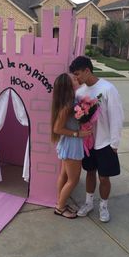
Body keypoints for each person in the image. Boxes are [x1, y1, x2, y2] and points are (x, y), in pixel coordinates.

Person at [69, 56, 124, 222]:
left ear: (87, 70)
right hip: (88, 143)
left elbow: (117, 116)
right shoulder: (79, 93)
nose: (76, 78)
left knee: (104, 177)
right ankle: (88, 203)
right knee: (90, 173)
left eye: (78, 74)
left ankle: (104, 206)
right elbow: (77, 117)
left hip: (105, 141)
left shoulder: (108, 89)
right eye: (74, 76)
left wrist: (115, 143)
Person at [51, 73, 92, 219]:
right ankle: (60, 208)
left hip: (69, 143)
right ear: (69, 86)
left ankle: (60, 202)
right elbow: (57, 128)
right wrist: (78, 134)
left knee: (64, 174)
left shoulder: (72, 100)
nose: (77, 79)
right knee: (73, 179)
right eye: (74, 79)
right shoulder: (68, 105)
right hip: (72, 144)